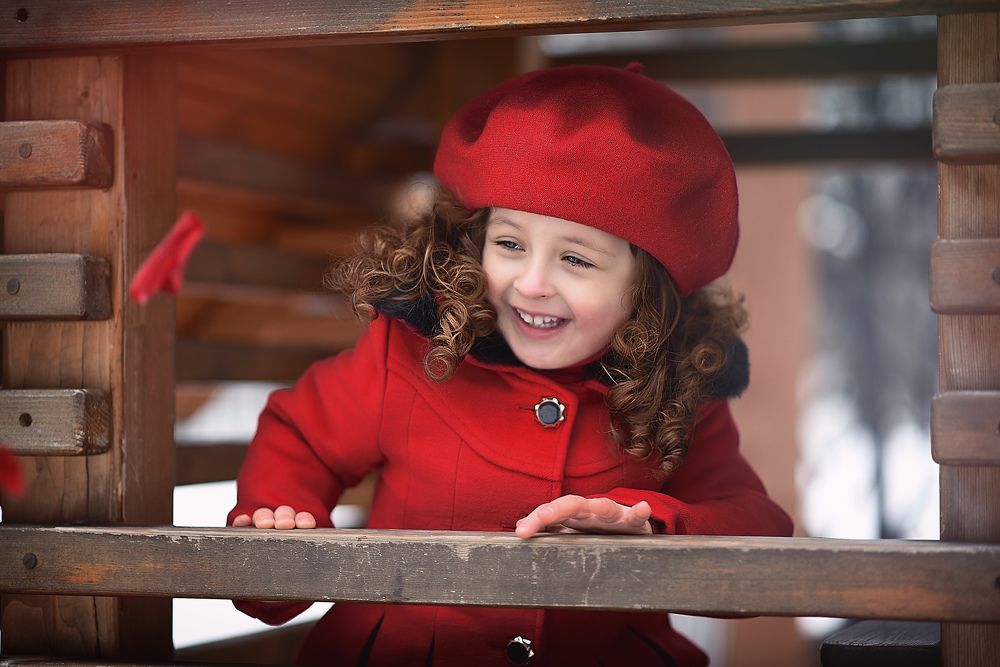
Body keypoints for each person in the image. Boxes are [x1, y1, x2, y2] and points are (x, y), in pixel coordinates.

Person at [227, 62, 794, 667]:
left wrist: (654, 529)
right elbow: (302, 435)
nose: (532, 282)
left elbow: (754, 526)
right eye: (510, 244)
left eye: (576, 259)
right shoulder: (413, 354)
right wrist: (281, 527)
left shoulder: (679, 396)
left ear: (648, 290)